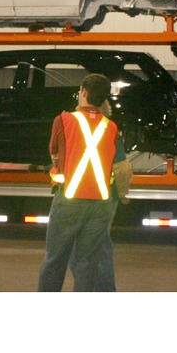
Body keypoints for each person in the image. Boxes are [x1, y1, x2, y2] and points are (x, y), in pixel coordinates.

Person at [38, 73, 130, 292]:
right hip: (101, 205)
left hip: (69, 201)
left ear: (84, 92)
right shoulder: (111, 126)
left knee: (55, 261)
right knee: (87, 264)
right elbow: (117, 163)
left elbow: (54, 152)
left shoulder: (64, 120)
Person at [69, 100, 131, 291]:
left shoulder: (75, 130)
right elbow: (122, 168)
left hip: (81, 197)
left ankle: (98, 290)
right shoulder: (109, 130)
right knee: (100, 245)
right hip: (104, 197)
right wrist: (121, 194)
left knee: (84, 248)